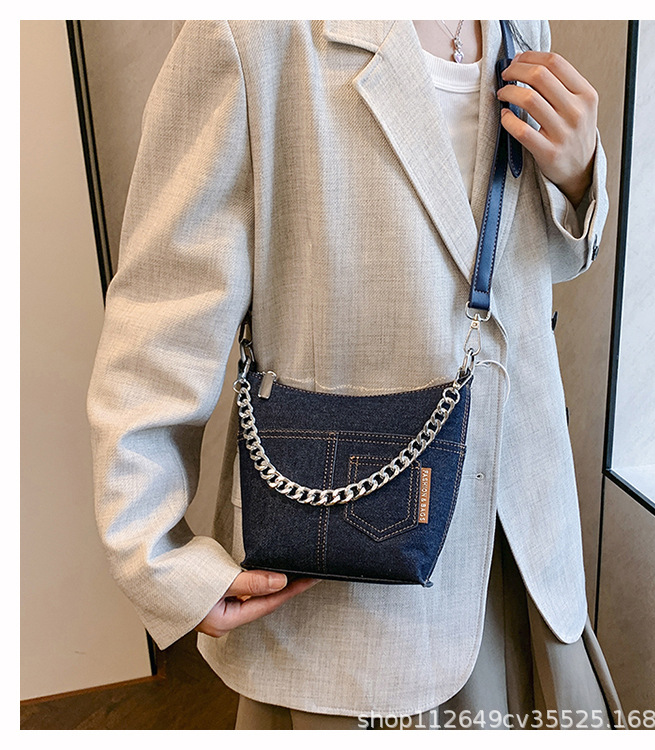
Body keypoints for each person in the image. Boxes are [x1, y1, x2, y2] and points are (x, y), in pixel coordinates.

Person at [87, 20, 622, 730]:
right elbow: (163, 317)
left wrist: (578, 178)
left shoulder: (518, 20)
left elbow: (518, 271)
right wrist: (157, 559)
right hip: (352, 576)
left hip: (523, 541)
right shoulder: (250, 33)